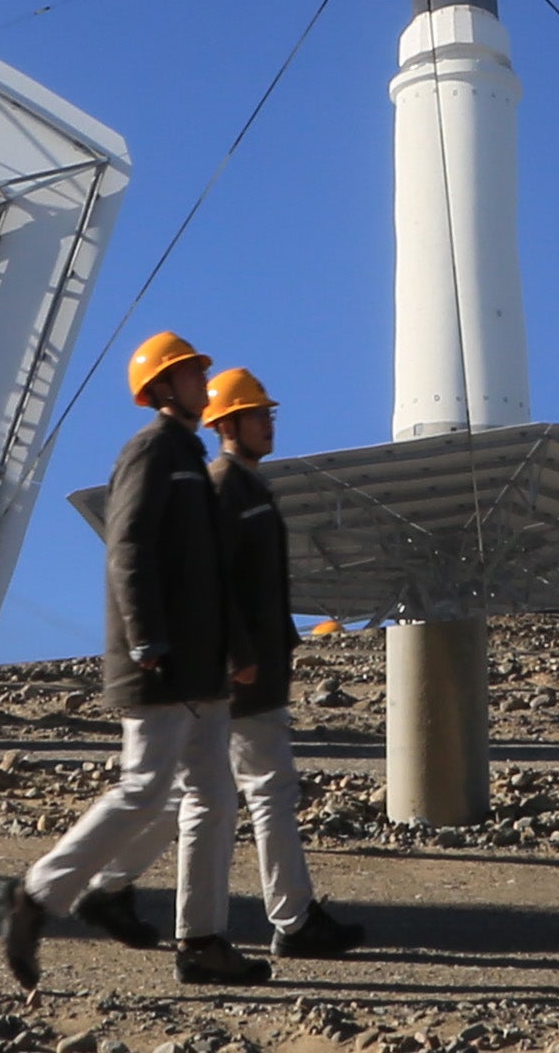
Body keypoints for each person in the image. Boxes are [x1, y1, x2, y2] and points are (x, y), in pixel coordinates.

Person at [76, 363, 361, 959]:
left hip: (246, 667)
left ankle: (110, 886)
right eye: (259, 414)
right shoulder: (223, 486)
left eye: (269, 413)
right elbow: (210, 581)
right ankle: (289, 920)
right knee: (263, 789)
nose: (269, 423)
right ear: (228, 423)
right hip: (237, 673)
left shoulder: (246, 486)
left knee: (192, 796)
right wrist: (239, 655)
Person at [0, 332, 256, 989]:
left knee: (212, 799)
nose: (204, 378)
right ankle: (35, 893)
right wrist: (147, 639)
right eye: (191, 372)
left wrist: (232, 649)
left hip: (198, 664)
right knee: (145, 787)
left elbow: (206, 572)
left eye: (199, 369)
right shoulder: (152, 450)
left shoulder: (188, 456)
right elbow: (128, 546)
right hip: (162, 659)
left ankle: (201, 941)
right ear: (163, 388)